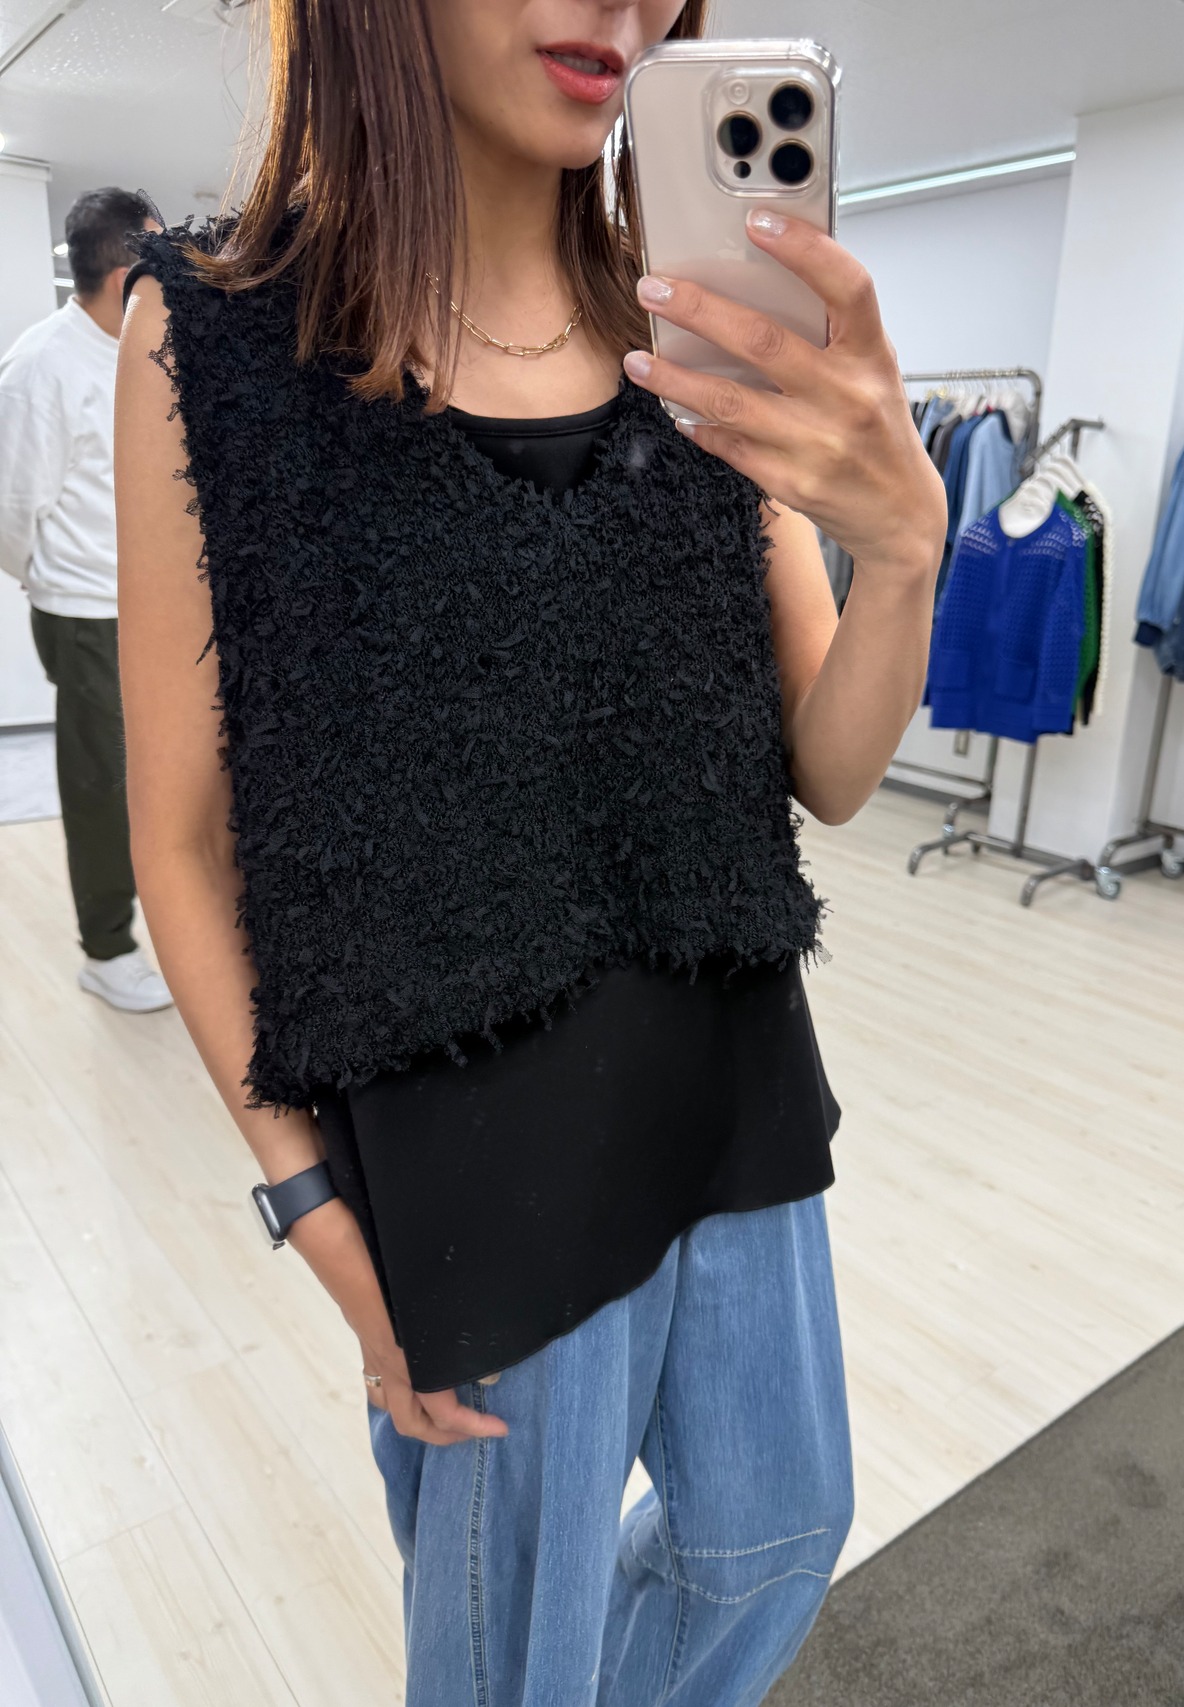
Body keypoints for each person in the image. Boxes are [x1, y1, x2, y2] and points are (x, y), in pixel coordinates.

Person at [114, 3, 945, 1703]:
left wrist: (910, 551)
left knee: (778, 1533)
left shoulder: (687, 327)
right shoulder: (215, 335)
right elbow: (181, 847)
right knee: (520, 1660)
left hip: (732, 1073)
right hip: (472, 1152)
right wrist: (311, 1209)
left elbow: (832, 767)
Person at [0, 187, 171, 1012]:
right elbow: (11, 509)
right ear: (123, 275)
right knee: (102, 785)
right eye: (159, 256)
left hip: (154, 606)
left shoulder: (144, 347)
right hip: (87, 612)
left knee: (167, 778)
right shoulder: (41, 366)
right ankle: (107, 950)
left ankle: (175, 926)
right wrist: (57, 581)